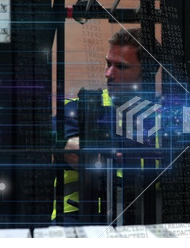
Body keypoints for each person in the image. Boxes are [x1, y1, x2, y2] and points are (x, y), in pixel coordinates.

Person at [51, 27, 147, 221]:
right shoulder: (77, 108)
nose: (108, 73)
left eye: (121, 67)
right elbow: (70, 148)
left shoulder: (164, 116)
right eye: (107, 63)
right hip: (77, 215)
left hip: (143, 215)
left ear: (148, 72)